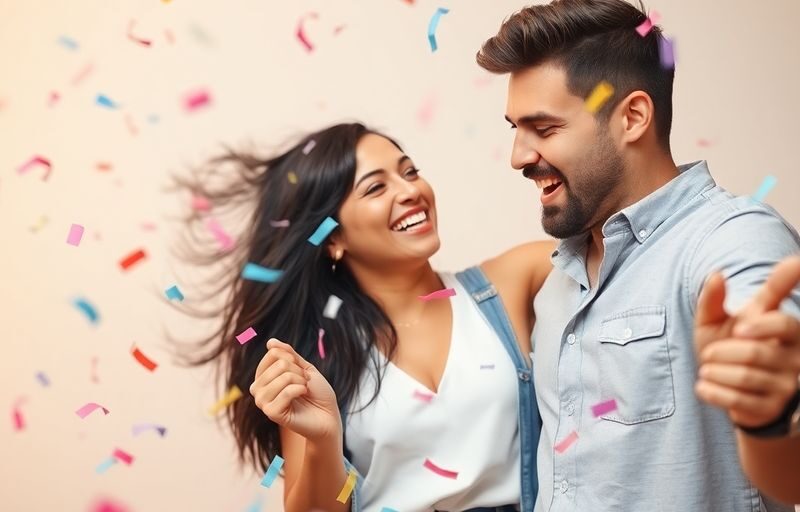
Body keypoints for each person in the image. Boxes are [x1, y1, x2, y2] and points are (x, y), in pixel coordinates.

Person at [475, 0, 800, 510]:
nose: (519, 155)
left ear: (632, 117)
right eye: (515, 128)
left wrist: (773, 410)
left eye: (544, 128)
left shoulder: (730, 241)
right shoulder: (558, 278)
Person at [174, 122, 553, 512]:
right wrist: (323, 437)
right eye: (375, 187)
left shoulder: (512, 281)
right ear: (333, 238)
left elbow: (614, 249)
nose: (410, 191)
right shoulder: (317, 357)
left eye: (410, 172)